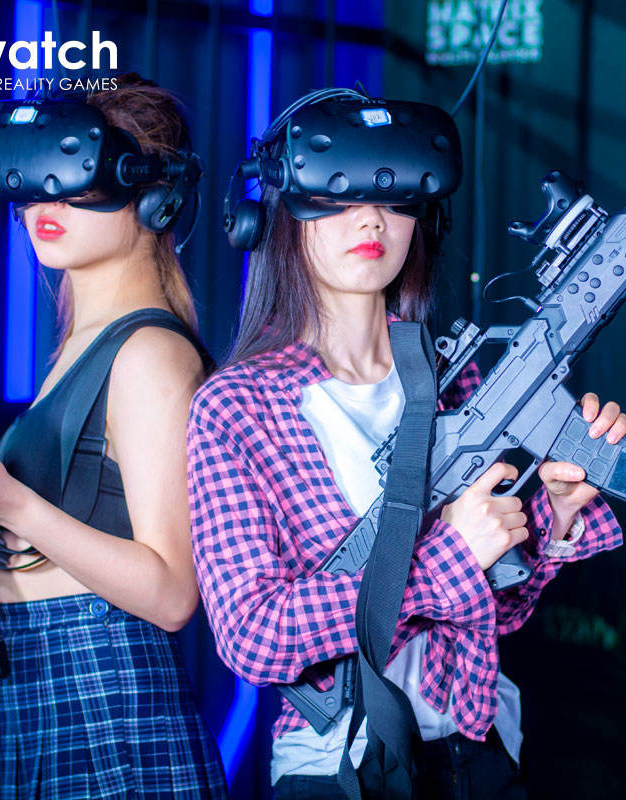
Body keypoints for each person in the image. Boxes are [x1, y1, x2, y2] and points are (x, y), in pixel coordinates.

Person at [187, 91, 623, 799]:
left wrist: (557, 515)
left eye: (393, 197)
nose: (371, 219)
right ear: (278, 214)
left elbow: (498, 609)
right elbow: (252, 636)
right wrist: (447, 558)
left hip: (482, 749)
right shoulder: (238, 406)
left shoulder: (455, 376)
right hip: (341, 767)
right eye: (339, 195)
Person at [0, 75, 228, 800]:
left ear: (154, 195)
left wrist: (9, 503)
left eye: (76, 174)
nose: (45, 202)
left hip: (107, 698)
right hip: (44, 690)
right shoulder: (82, 348)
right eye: (34, 178)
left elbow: (172, 593)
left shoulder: (149, 354)